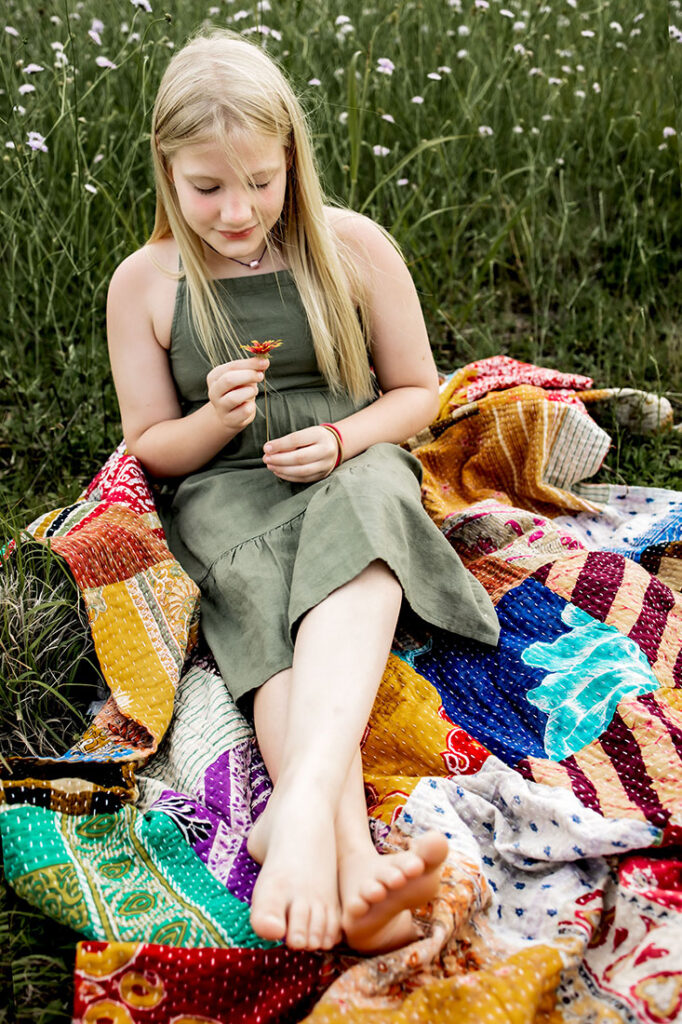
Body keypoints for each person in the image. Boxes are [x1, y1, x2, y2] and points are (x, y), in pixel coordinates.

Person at [107, 29, 499, 955]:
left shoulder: (353, 247)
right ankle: (355, 860)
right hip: (227, 493)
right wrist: (211, 419)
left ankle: (298, 814)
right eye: (206, 188)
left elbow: (415, 396)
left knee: (364, 520)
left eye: (260, 181)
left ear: (293, 158)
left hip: (351, 465)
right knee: (262, 607)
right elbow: (151, 448)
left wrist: (340, 437)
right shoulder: (147, 283)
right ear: (168, 172)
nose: (236, 210)